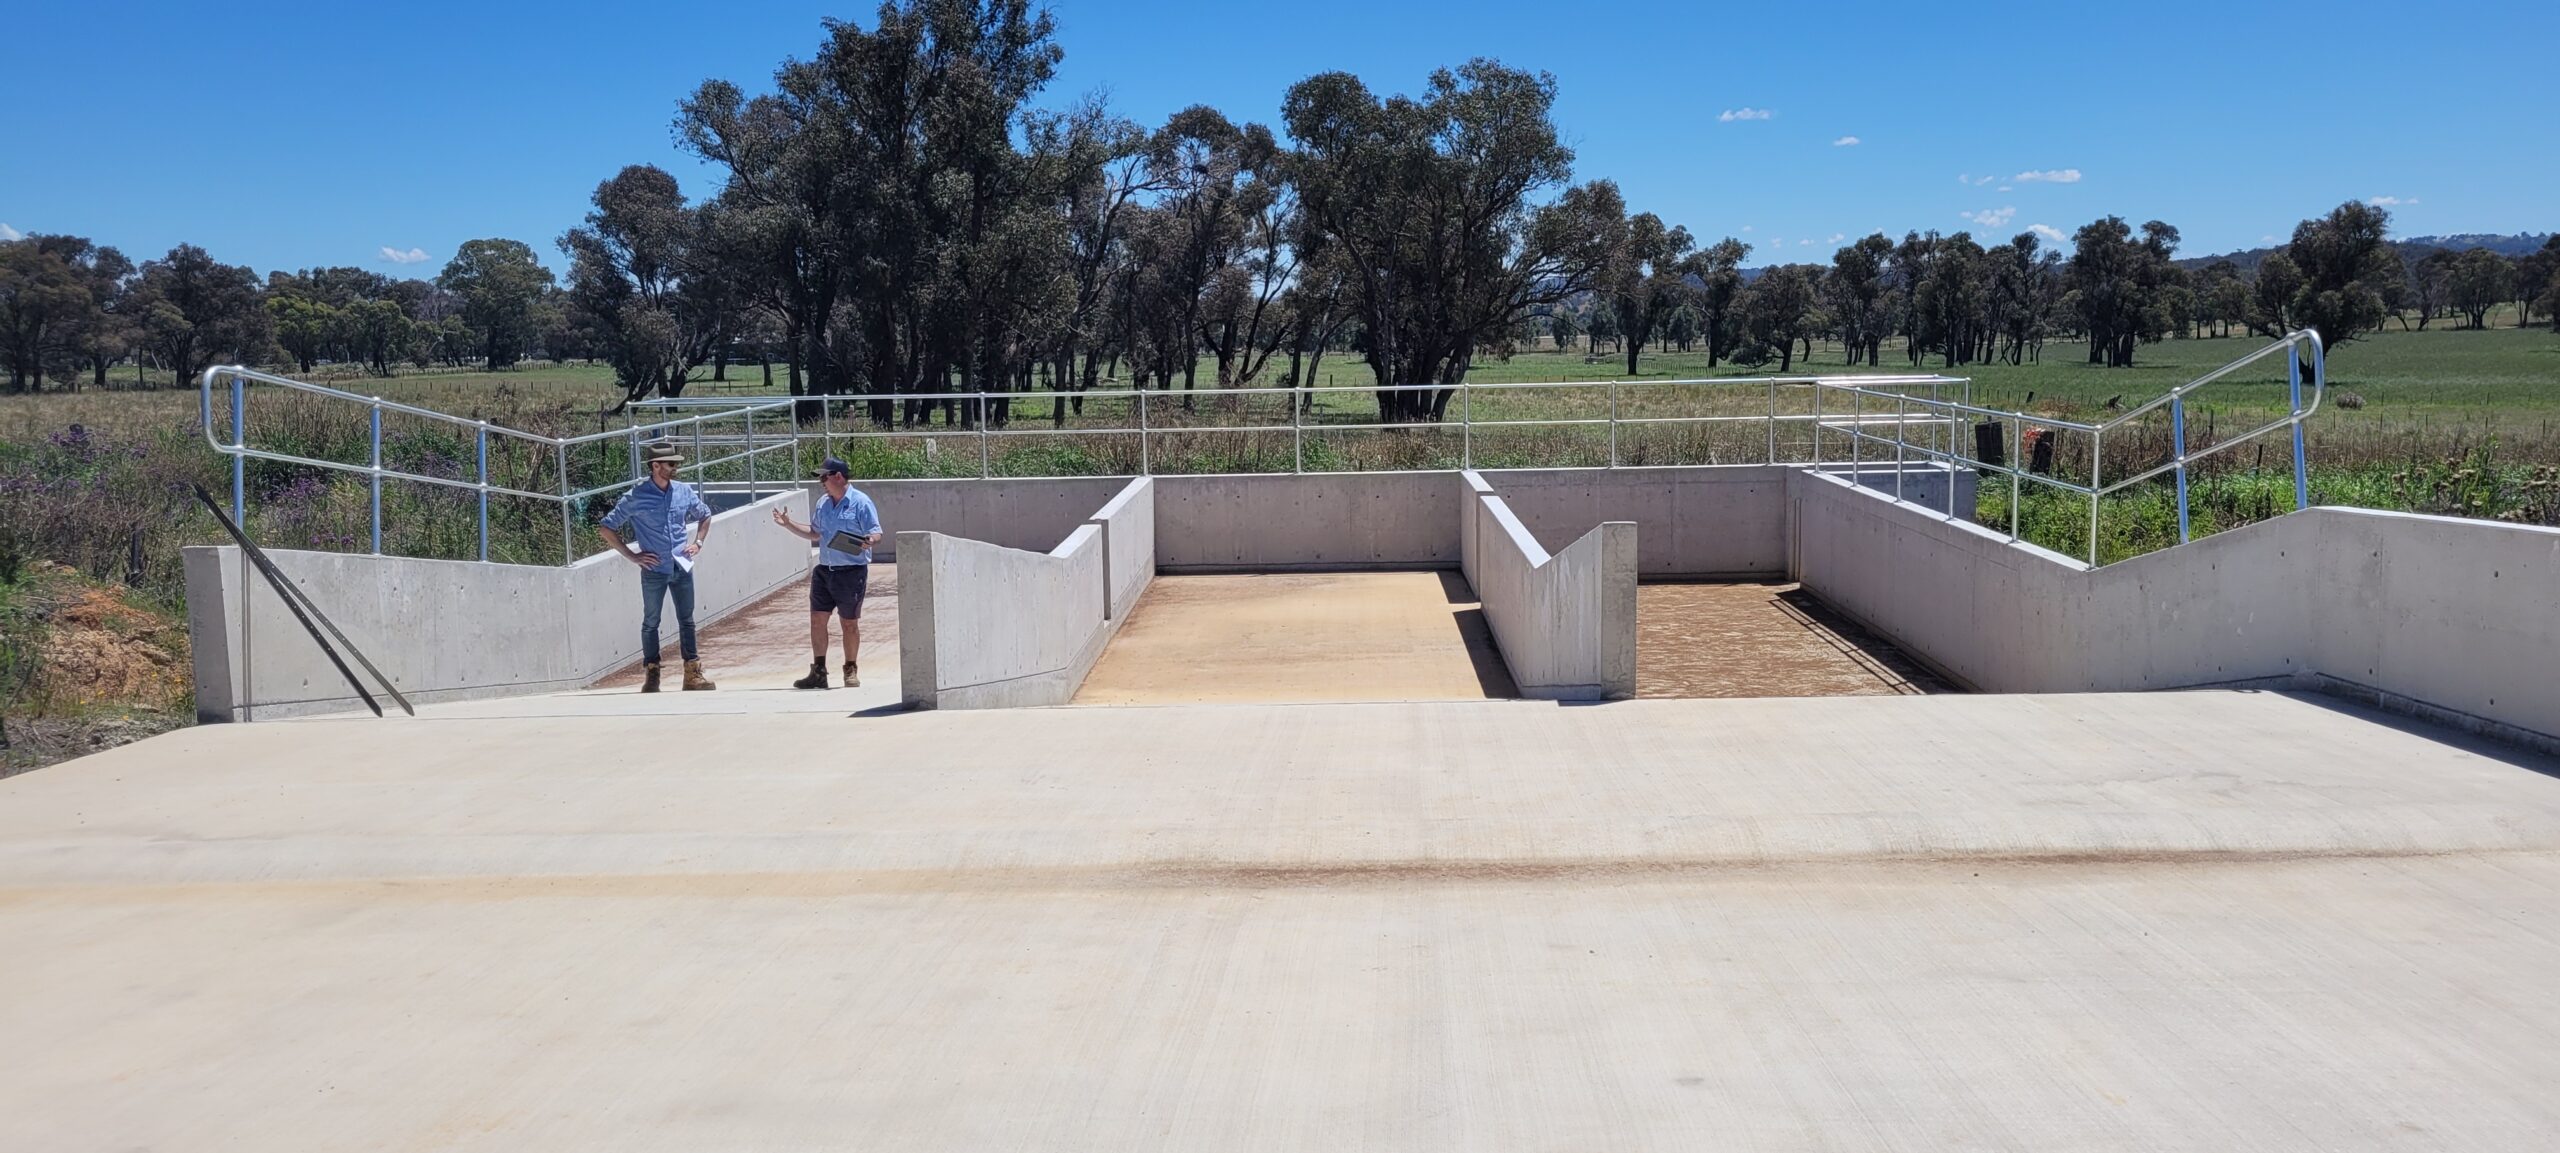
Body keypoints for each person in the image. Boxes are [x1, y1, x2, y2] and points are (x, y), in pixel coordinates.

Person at [597, 441, 717, 693]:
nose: (675, 468)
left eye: (676, 464)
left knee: (687, 620)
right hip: (654, 570)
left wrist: (698, 542)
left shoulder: (683, 491)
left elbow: (705, 514)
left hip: (681, 566)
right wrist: (633, 556)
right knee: (651, 621)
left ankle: (692, 674)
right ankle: (652, 673)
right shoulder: (636, 496)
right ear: (655, 466)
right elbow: (606, 528)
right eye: (671, 464)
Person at [770, 457, 883, 689]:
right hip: (825, 571)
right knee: (817, 620)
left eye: (824, 477)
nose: (821, 482)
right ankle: (818, 671)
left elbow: (876, 531)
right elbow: (815, 533)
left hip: (851, 572)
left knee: (849, 622)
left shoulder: (861, 502)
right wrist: (788, 524)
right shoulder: (823, 503)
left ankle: (850, 668)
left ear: (838, 477)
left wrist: (869, 541)